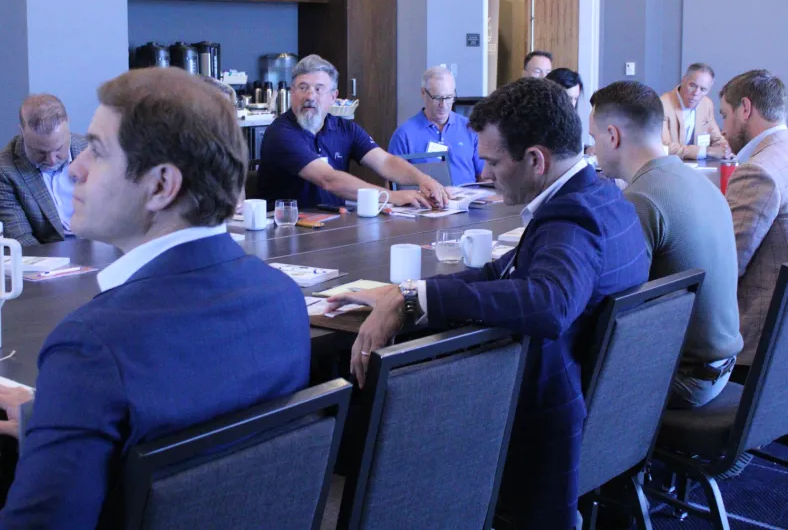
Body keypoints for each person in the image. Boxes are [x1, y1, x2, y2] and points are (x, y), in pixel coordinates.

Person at [0, 68, 311, 528]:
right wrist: (62, 419)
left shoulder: (91, 348)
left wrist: (74, 395)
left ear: (161, 186)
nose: (75, 167)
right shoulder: (284, 300)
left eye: (98, 150)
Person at [327, 78, 649, 529]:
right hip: (597, 420)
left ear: (536, 160)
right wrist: (409, 293)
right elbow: (507, 271)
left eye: (494, 160)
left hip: (534, 435)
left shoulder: (571, 219)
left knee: (352, 419)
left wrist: (415, 299)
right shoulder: (605, 200)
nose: (485, 172)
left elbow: (548, 301)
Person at [590, 81, 742, 408]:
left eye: (593, 139)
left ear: (612, 136)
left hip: (685, 380)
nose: (593, 151)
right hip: (722, 366)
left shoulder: (640, 199)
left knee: (555, 371)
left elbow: (612, 304)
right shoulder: (699, 181)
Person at [258, 55, 450, 208]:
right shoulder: (281, 133)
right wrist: (391, 196)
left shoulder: (345, 128)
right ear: (292, 93)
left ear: (333, 97)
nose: (310, 96)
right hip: (287, 231)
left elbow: (385, 161)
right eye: (303, 88)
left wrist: (422, 179)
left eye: (319, 89)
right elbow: (328, 179)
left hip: (334, 226)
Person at [718, 69, 788, 377]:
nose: (723, 129)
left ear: (745, 109)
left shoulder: (758, 171)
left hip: (754, 343)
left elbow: (728, 266)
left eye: (725, 115)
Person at [0, 94, 88, 245]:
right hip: (49, 260)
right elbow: (20, 242)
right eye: (40, 152)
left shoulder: (93, 151)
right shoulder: (0, 170)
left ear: (68, 124)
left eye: (59, 149)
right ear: (22, 132)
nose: (51, 160)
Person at [388, 66, 484, 185]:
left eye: (449, 97)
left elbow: (485, 177)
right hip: (423, 201)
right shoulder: (404, 135)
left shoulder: (470, 128)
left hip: (468, 201)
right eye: (437, 98)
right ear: (423, 93)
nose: (443, 105)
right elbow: (392, 184)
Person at [660, 62, 731, 160]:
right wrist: (706, 152)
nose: (696, 93)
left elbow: (717, 139)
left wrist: (725, 150)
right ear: (684, 80)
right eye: (692, 85)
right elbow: (665, 148)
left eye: (703, 89)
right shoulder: (662, 104)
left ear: (709, 89)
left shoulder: (706, 104)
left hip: (697, 167)